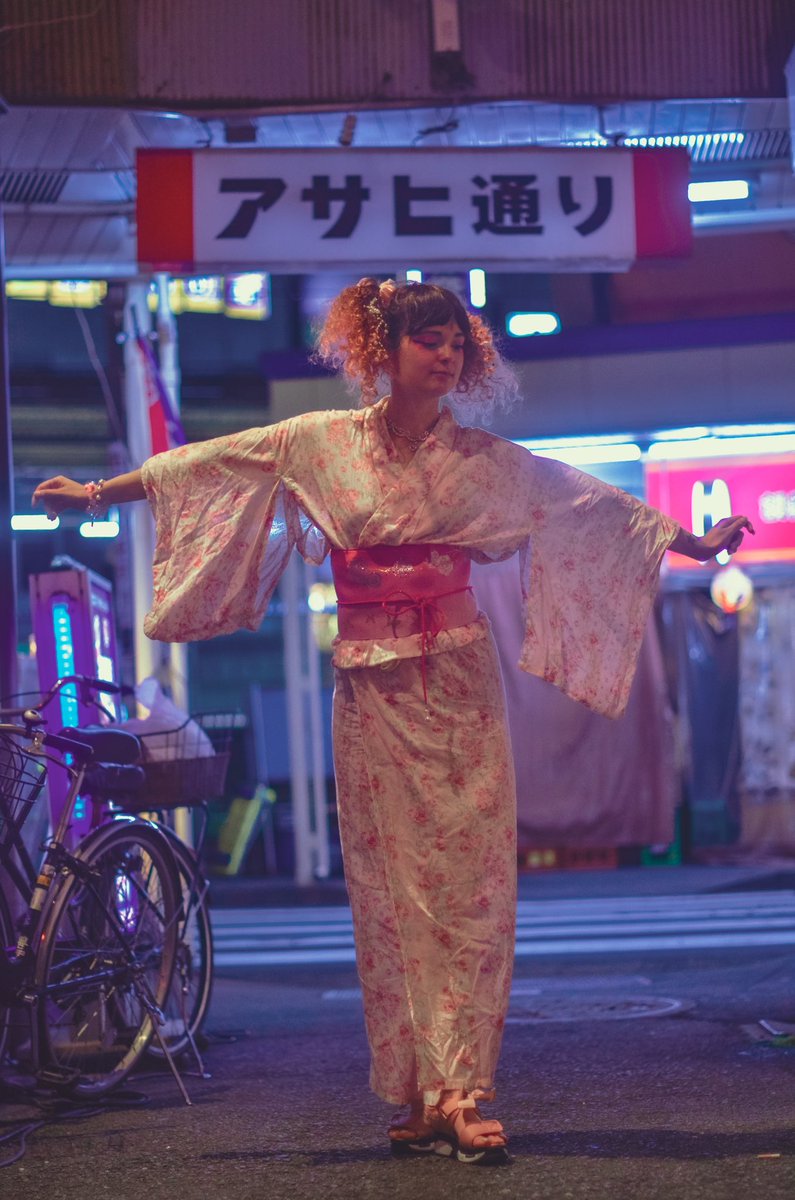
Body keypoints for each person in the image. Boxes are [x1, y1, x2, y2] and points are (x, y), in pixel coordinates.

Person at [33, 278, 753, 1165]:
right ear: (385, 353)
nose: (446, 355)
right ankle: (420, 1089)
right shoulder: (319, 445)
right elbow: (211, 463)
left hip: (456, 685)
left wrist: (697, 544)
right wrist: (102, 493)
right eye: (429, 340)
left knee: (469, 883)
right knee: (390, 893)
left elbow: (586, 503)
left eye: (456, 341)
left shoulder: (483, 460)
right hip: (370, 691)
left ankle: (462, 1087)